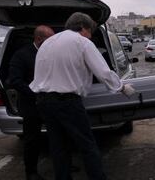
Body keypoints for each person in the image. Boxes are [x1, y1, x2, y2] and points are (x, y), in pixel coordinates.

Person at [30, 12, 135, 180]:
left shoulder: (48, 42)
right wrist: (122, 87)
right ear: (83, 28)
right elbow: (103, 72)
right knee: (87, 145)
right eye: (90, 31)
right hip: (66, 102)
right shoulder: (82, 42)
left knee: (58, 146)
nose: (91, 36)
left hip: (43, 101)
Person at [8, 25, 55, 180]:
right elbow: (15, 80)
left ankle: (62, 163)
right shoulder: (21, 55)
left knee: (58, 135)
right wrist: (35, 92)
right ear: (39, 38)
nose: (54, 42)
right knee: (32, 139)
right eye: (50, 39)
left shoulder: (54, 53)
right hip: (31, 104)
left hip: (52, 102)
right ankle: (31, 172)